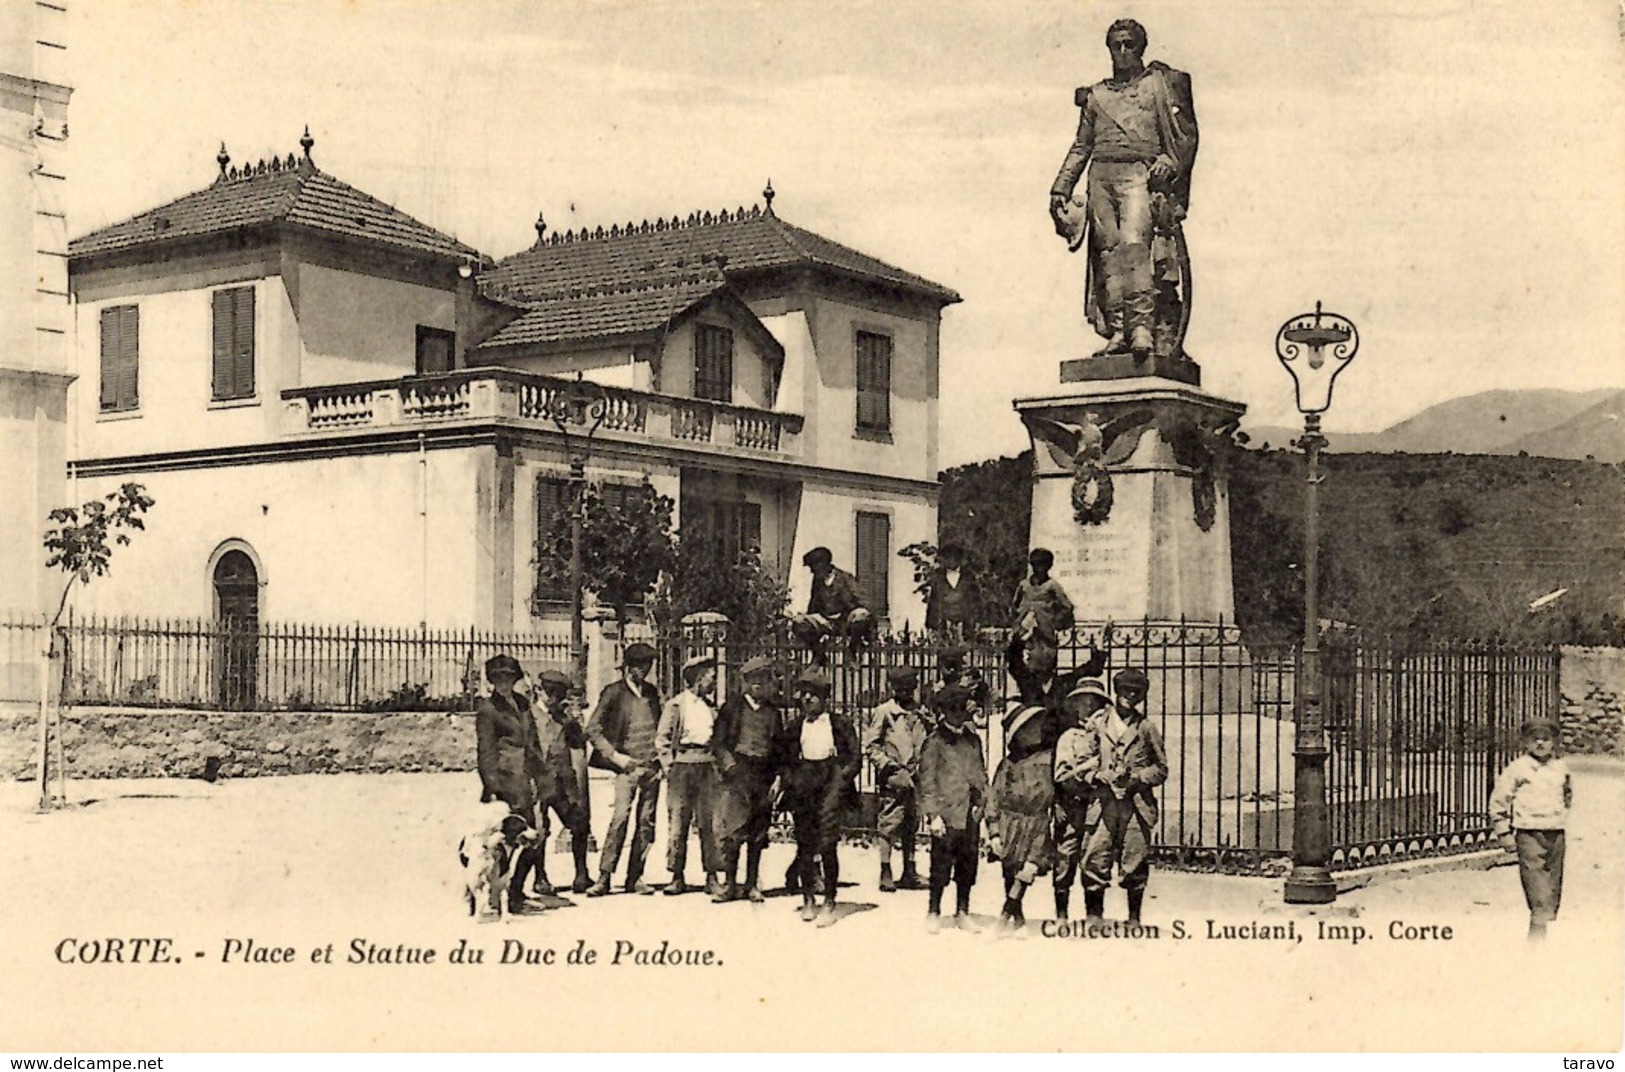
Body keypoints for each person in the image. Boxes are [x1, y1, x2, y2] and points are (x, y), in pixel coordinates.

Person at [1049, 18, 1198, 361]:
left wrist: (1170, 160)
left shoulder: (1158, 85)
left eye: (1129, 44)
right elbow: (1081, 146)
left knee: (1134, 247)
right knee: (1107, 255)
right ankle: (1118, 329)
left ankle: (1143, 327)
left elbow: (1184, 135)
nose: (1123, 51)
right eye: (1116, 45)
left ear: (1141, 47)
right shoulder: (1097, 96)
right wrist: (1061, 187)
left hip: (1139, 174)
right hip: (1101, 175)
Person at [1080, 667, 1168, 924]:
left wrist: (1138, 778)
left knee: (1135, 859)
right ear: (1116, 692)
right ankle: (1094, 917)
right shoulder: (1098, 724)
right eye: (1125, 690)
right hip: (1103, 802)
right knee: (1096, 856)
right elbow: (1084, 760)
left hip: (1136, 804)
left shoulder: (1146, 728)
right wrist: (1097, 775)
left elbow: (1162, 769)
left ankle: (1133, 919)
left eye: (1136, 692)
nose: (1130, 696)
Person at [583, 642, 663, 897]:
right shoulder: (613, 692)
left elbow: (661, 730)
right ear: (629, 667)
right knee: (620, 819)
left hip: (651, 768)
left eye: (649, 665)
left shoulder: (652, 693)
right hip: (626, 769)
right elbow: (592, 729)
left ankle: (635, 876)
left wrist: (661, 762)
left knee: (646, 822)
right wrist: (616, 757)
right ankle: (604, 877)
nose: (646, 670)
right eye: (641, 665)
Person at [783, 668, 860, 926]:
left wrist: (841, 779)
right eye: (803, 694)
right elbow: (785, 759)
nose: (806, 699)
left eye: (812, 695)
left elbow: (854, 757)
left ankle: (829, 898)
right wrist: (792, 780)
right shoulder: (795, 726)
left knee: (827, 843)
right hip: (805, 784)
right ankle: (808, 898)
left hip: (831, 782)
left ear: (824, 698)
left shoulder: (839, 724)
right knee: (805, 843)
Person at [711, 655, 789, 903]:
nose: (758, 685)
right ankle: (729, 884)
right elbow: (719, 743)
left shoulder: (773, 712)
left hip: (763, 775)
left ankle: (752, 884)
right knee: (734, 832)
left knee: (758, 833)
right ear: (745, 682)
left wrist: (778, 777)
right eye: (753, 680)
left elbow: (780, 749)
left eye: (762, 680)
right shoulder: (731, 708)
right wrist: (730, 767)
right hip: (738, 773)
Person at [986, 693, 1065, 936]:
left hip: (1037, 824)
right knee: (1010, 871)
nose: (1035, 731)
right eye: (1028, 728)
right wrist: (994, 831)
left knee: (1026, 871)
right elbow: (994, 796)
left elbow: (1059, 786)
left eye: (1036, 725)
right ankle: (1017, 918)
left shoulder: (1049, 758)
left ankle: (1003, 917)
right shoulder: (1008, 764)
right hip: (1010, 823)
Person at [473, 653, 545, 914]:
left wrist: (543, 777)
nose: (504, 683)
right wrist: (492, 787)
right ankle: (496, 895)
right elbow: (486, 751)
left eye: (509, 678)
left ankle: (516, 891)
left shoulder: (523, 704)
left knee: (533, 837)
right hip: (505, 782)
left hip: (526, 779)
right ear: (492, 681)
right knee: (501, 843)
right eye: (499, 679)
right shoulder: (488, 709)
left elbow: (533, 742)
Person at [1489, 717, 1573, 940]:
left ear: (1554, 742)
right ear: (1525, 742)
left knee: (1553, 883)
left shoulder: (1560, 768)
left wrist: (1560, 815)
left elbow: (1567, 794)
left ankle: (1541, 926)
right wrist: (1503, 831)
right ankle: (1536, 934)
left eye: (1545, 739)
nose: (1540, 743)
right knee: (1536, 884)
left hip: (1555, 831)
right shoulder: (1518, 769)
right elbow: (1499, 800)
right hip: (1529, 833)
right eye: (1534, 739)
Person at [918, 684, 989, 934]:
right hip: (946, 815)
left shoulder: (973, 740)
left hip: (970, 813)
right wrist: (932, 816)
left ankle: (962, 911)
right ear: (944, 711)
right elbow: (926, 782)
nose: (958, 714)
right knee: (940, 865)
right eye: (953, 709)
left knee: (967, 864)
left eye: (962, 708)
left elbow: (981, 773)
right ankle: (934, 911)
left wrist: (982, 803)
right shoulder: (934, 742)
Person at [655, 653, 724, 897]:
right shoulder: (675, 705)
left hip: (707, 766)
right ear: (697, 678)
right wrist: (670, 767)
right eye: (710, 678)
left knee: (711, 823)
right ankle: (676, 875)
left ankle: (712, 875)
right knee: (678, 822)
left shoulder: (711, 708)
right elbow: (662, 740)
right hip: (682, 767)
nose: (713, 682)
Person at [526, 669, 594, 895]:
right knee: (540, 829)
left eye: (560, 694)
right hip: (537, 782)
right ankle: (540, 877)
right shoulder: (528, 716)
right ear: (541, 692)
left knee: (579, 824)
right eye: (553, 694)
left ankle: (581, 875)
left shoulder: (565, 719)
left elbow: (578, 746)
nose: (556, 699)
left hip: (563, 782)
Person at [1051, 676, 1112, 921]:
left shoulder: (1110, 738)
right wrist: (1089, 771)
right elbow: (1062, 775)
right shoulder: (1069, 738)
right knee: (1065, 859)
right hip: (1073, 805)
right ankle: (1062, 916)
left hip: (1099, 807)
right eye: (1084, 703)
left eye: (1095, 704)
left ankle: (1094, 916)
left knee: (1097, 859)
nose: (1090, 709)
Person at [864, 666, 929, 892]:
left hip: (916, 776)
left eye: (910, 688)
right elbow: (871, 746)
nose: (906, 693)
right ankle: (885, 870)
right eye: (901, 688)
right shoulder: (885, 712)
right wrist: (888, 766)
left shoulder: (920, 711)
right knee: (889, 823)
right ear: (893, 688)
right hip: (894, 776)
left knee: (912, 822)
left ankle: (909, 870)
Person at [1009, 548, 1076, 705]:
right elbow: (1014, 607)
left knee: (1042, 674)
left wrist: (1052, 622)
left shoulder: (1052, 587)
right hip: (1024, 637)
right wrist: (1020, 624)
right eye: (1036, 564)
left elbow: (1067, 608)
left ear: (1049, 566)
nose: (1039, 568)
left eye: (1043, 565)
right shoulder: (1024, 586)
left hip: (1044, 639)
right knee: (1023, 672)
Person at [790, 546, 874, 662]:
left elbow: (862, 601)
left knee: (862, 615)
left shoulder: (845, 578)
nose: (812, 571)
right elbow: (813, 603)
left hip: (845, 620)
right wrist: (810, 621)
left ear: (822, 564)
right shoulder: (817, 581)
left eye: (813, 567)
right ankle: (819, 654)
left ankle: (851, 651)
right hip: (826, 620)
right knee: (799, 621)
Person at [924, 543, 979, 636]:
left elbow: (975, 603)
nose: (948, 561)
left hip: (965, 626)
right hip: (943, 626)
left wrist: (975, 622)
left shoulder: (969, 579)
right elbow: (933, 603)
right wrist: (931, 626)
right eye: (946, 558)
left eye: (950, 558)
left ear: (958, 559)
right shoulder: (938, 579)